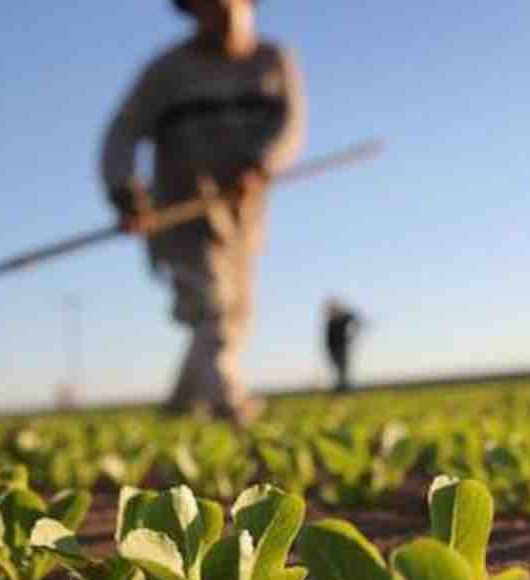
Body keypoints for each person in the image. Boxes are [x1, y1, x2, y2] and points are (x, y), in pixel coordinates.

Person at [101, 0, 305, 424]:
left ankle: (180, 405)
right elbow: (122, 133)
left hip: (243, 216)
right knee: (211, 305)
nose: (221, 16)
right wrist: (125, 191)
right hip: (182, 211)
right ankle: (229, 404)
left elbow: (290, 126)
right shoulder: (166, 71)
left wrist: (261, 166)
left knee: (236, 314)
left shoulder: (273, 60)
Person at [324, 298, 361, 392]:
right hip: (332, 348)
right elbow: (328, 338)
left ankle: (344, 388)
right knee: (339, 369)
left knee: (343, 369)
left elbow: (356, 320)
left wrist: (351, 336)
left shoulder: (344, 316)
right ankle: (341, 387)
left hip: (341, 347)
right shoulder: (330, 321)